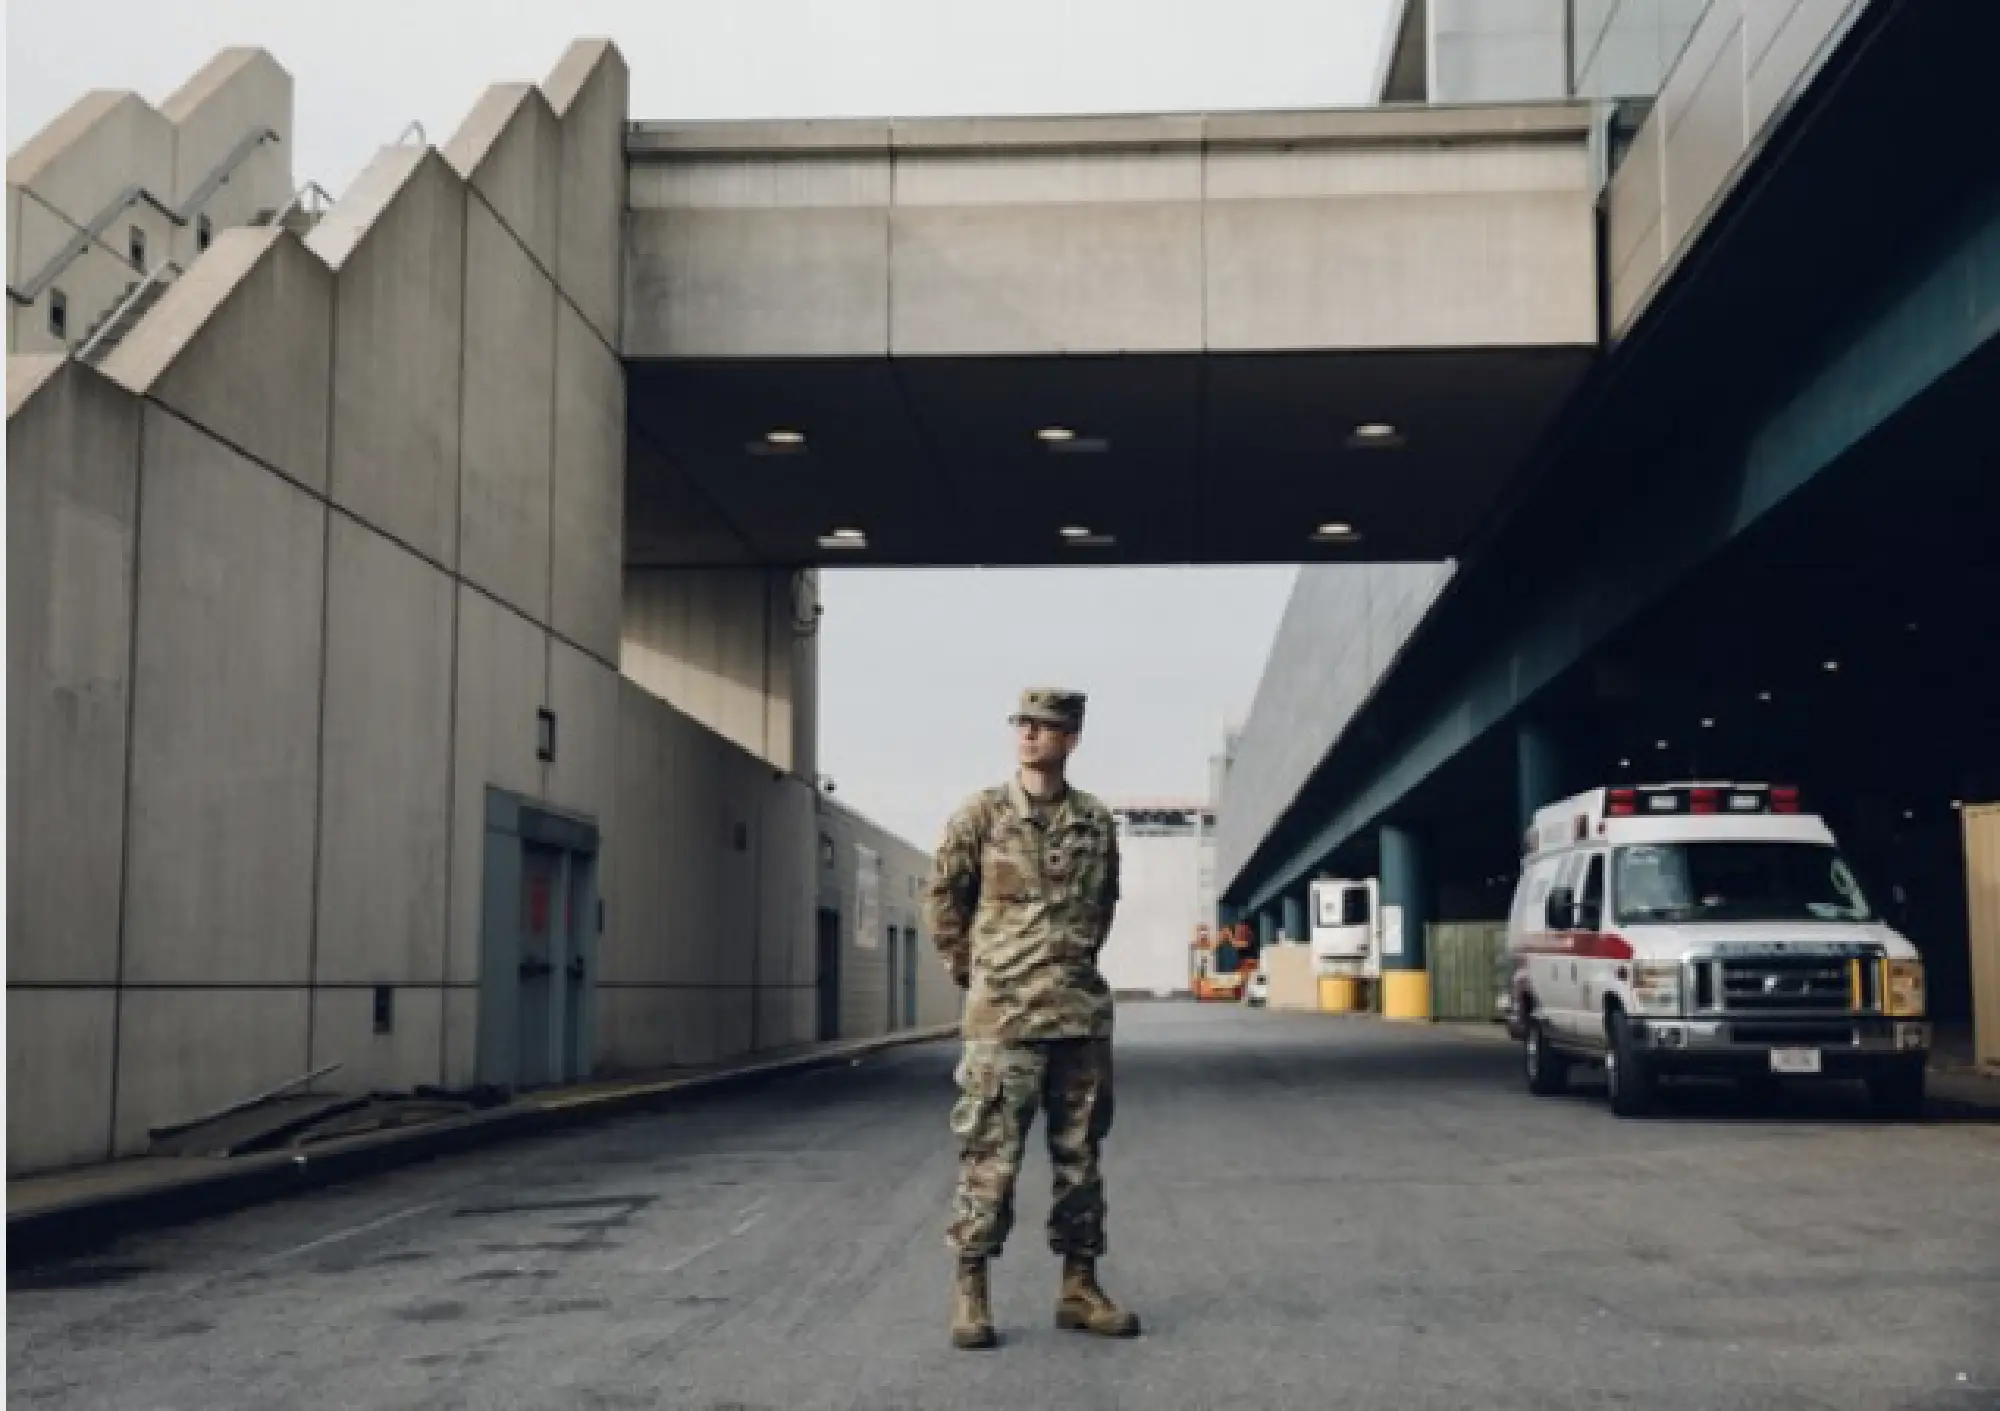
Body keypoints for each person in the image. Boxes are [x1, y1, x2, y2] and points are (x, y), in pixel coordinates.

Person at [924, 687, 1140, 1351]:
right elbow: (944, 902)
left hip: (1077, 1017)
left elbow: (1102, 905)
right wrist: (980, 974)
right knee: (991, 1158)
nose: (1029, 734)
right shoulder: (980, 815)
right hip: (1003, 1022)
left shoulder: (1095, 822)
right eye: (1023, 723)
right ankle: (971, 1287)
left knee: (1080, 1159)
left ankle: (1079, 1286)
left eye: (1045, 727)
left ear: (1070, 738)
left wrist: (1067, 969)